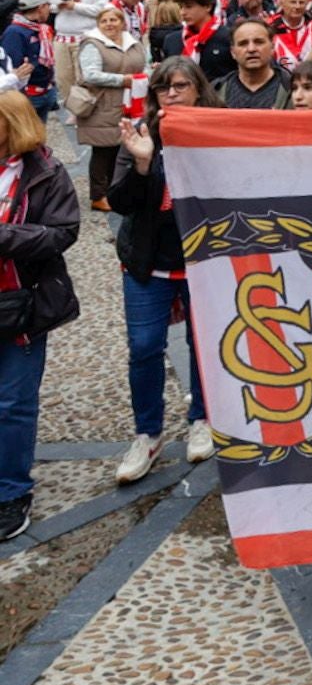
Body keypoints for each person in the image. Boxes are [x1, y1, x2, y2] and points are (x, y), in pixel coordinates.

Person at [107, 57, 223, 483]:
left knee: (204, 343)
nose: (171, 94)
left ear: (198, 89)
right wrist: (141, 164)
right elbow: (119, 202)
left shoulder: (218, 129)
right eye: (162, 88)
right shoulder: (140, 134)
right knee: (144, 347)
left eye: (180, 86)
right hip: (148, 261)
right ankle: (147, 432)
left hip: (202, 259)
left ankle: (202, 417)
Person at [0, 89, 81, 540]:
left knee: (12, 404)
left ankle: (12, 492)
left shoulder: (46, 172)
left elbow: (61, 233)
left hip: (20, 304)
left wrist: (3, 236)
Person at [75, 3, 147, 209]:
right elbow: (91, 75)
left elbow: (146, 65)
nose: (109, 24)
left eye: (113, 20)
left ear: (122, 22)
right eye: (104, 21)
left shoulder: (133, 42)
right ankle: (98, 195)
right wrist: (123, 80)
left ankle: (117, 190)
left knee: (123, 150)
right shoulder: (93, 44)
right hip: (103, 104)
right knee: (103, 152)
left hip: (131, 103)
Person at [49, 0, 109, 112]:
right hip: (62, 36)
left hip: (84, 36)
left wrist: (75, 6)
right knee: (63, 77)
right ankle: (71, 108)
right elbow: (50, 3)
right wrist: (59, 5)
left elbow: (101, 10)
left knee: (82, 76)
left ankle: (85, 108)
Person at [215, 17, 293, 110]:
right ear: (233, 52)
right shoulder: (216, 91)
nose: (251, 49)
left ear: (272, 47)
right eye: (243, 44)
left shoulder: (292, 89)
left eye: (259, 42)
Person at [1, 0, 56, 121]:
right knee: (28, 138)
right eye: (48, 5)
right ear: (41, 7)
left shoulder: (40, 28)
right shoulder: (15, 32)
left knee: (40, 135)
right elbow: (13, 67)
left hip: (46, 90)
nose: (50, 10)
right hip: (29, 94)